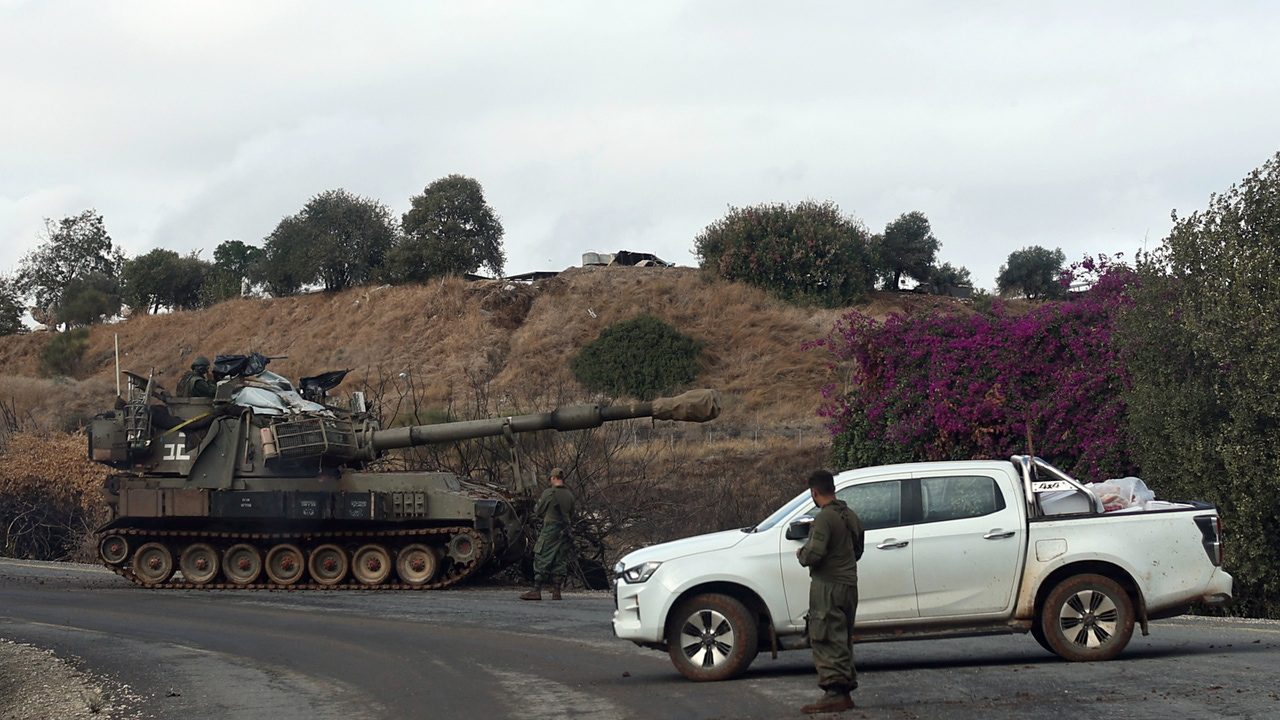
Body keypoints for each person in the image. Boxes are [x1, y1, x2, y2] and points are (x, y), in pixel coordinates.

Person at [796, 469, 865, 714]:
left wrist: (801, 554)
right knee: (842, 637)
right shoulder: (849, 515)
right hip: (848, 585)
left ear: (814, 492)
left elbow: (814, 553)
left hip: (828, 586)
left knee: (825, 636)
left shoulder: (825, 518)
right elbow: (858, 549)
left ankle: (834, 693)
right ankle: (844, 691)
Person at [520, 467, 576, 601]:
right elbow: (572, 514)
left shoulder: (549, 493)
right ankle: (557, 591)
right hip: (565, 530)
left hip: (550, 528)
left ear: (553, 478)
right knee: (559, 558)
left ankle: (536, 590)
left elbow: (538, 511)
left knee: (542, 555)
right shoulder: (569, 495)